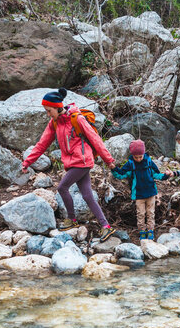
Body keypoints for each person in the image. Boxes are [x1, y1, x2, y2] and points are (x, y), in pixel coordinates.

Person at [22, 88, 117, 242]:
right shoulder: (54, 122)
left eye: (49, 110)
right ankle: (106, 226)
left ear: (57, 107)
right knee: (87, 195)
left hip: (82, 161)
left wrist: (109, 160)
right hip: (74, 163)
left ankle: (72, 219)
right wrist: (28, 161)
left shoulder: (76, 119)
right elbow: (42, 144)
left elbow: (95, 139)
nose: (48, 114)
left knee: (62, 188)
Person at [110, 140, 172, 241]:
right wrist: (114, 169)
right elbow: (121, 174)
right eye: (136, 157)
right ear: (132, 155)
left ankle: (150, 230)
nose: (138, 159)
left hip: (151, 193)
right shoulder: (130, 164)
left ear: (144, 153)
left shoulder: (149, 162)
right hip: (139, 194)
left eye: (140, 157)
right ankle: (142, 231)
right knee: (140, 213)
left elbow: (157, 174)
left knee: (151, 213)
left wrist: (165, 176)